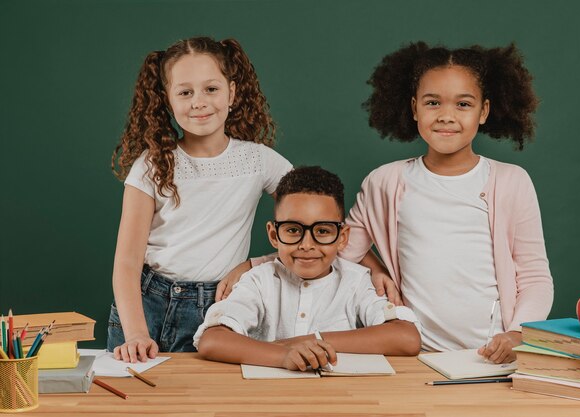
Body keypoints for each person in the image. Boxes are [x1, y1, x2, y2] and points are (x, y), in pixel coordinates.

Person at [341, 42, 553, 364]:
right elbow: (339, 249)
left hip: (492, 357)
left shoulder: (511, 181)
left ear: (483, 111)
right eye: (433, 102)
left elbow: (535, 276)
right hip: (416, 358)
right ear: (414, 109)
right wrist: (375, 269)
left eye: (463, 104)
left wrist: (518, 333)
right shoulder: (385, 182)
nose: (446, 116)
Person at [108, 36, 292, 362]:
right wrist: (136, 332)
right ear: (166, 100)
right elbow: (126, 262)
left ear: (232, 92)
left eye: (211, 89)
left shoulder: (259, 161)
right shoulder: (151, 166)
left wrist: (255, 265)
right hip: (148, 304)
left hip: (222, 307)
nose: (199, 102)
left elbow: (314, 216)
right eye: (185, 92)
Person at [194, 167, 421, 370]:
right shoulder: (259, 281)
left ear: (342, 238)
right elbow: (213, 340)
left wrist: (310, 340)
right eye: (293, 230)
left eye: (322, 231)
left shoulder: (356, 281)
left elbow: (406, 337)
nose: (307, 245)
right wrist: (283, 356)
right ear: (274, 235)